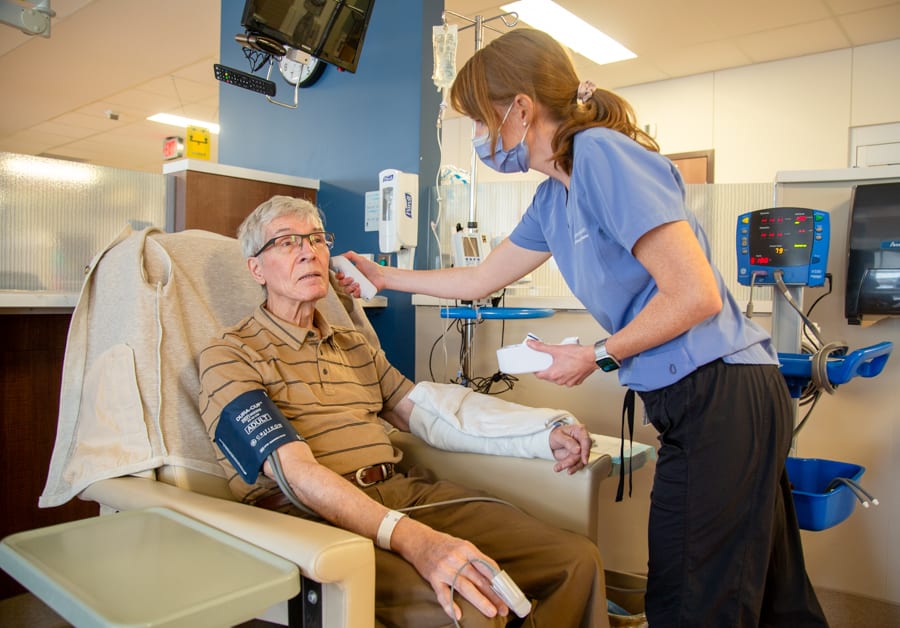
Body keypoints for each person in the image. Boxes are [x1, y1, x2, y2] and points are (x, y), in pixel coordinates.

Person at [342, 28, 828, 628]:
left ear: (520, 109)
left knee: (691, 602)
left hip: (723, 394)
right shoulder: (554, 197)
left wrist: (595, 355)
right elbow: (478, 279)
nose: (477, 139)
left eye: (477, 120)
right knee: (776, 597)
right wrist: (386, 279)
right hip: (704, 398)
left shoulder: (601, 153)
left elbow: (695, 294)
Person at [197, 195, 608, 627]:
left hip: (402, 494)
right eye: (286, 242)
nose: (308, 251)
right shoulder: (230, 356)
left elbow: (429, 414)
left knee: (575, 562)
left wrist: (541, 434)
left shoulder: (354, 345)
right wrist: (413, 539)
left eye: (317, 239)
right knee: (472, 613)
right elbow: (294, 473)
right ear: (256, 269)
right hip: (313, 522)